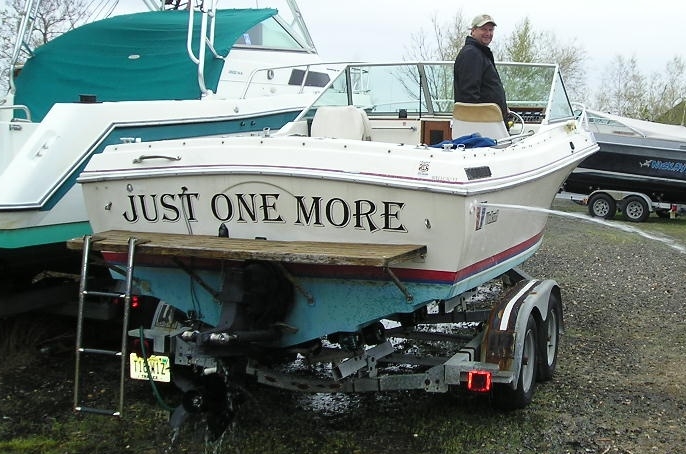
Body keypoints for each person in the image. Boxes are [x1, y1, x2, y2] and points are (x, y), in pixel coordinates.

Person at [453, 14, 508, 127]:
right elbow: (469, 94)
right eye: (483, 29)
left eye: (491, 30)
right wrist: (480, 125)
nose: (488, 33)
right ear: (473, 31)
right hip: (482, 126)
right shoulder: (472, 54)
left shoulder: (480, 53)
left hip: (490, 121)